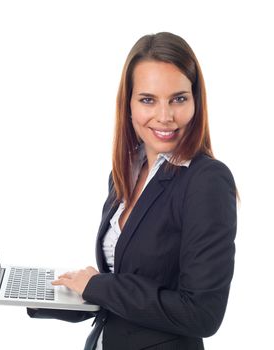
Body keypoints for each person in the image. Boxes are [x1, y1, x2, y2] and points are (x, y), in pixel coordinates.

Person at [27, 32, 237, 350]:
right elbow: (128, 290)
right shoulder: (126, 172)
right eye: (148, 99)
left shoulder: (206, 181)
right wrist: (52, 294)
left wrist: (99, 286)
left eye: (178, 98)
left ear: (196, 102)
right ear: (128, 103)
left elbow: (202, 314)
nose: (164, 116)